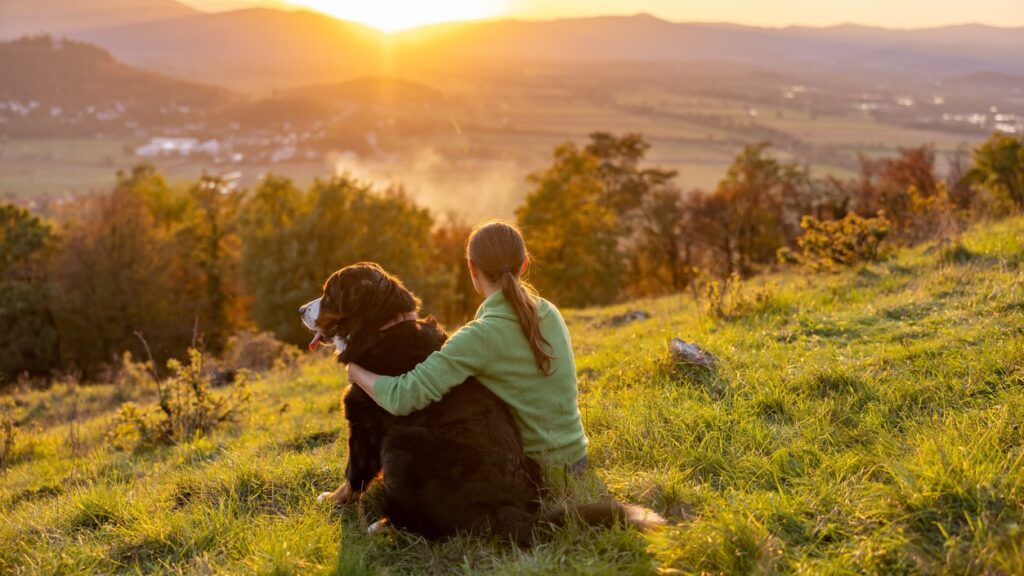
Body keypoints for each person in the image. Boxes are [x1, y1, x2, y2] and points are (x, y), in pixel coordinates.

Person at [346, 220, 589, 475]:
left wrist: (356, 371)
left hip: (538, 470)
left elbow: (403, 397)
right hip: (577, 459)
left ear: (472, 268)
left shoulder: (479, 336)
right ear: (525, 263)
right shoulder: (549, 311)